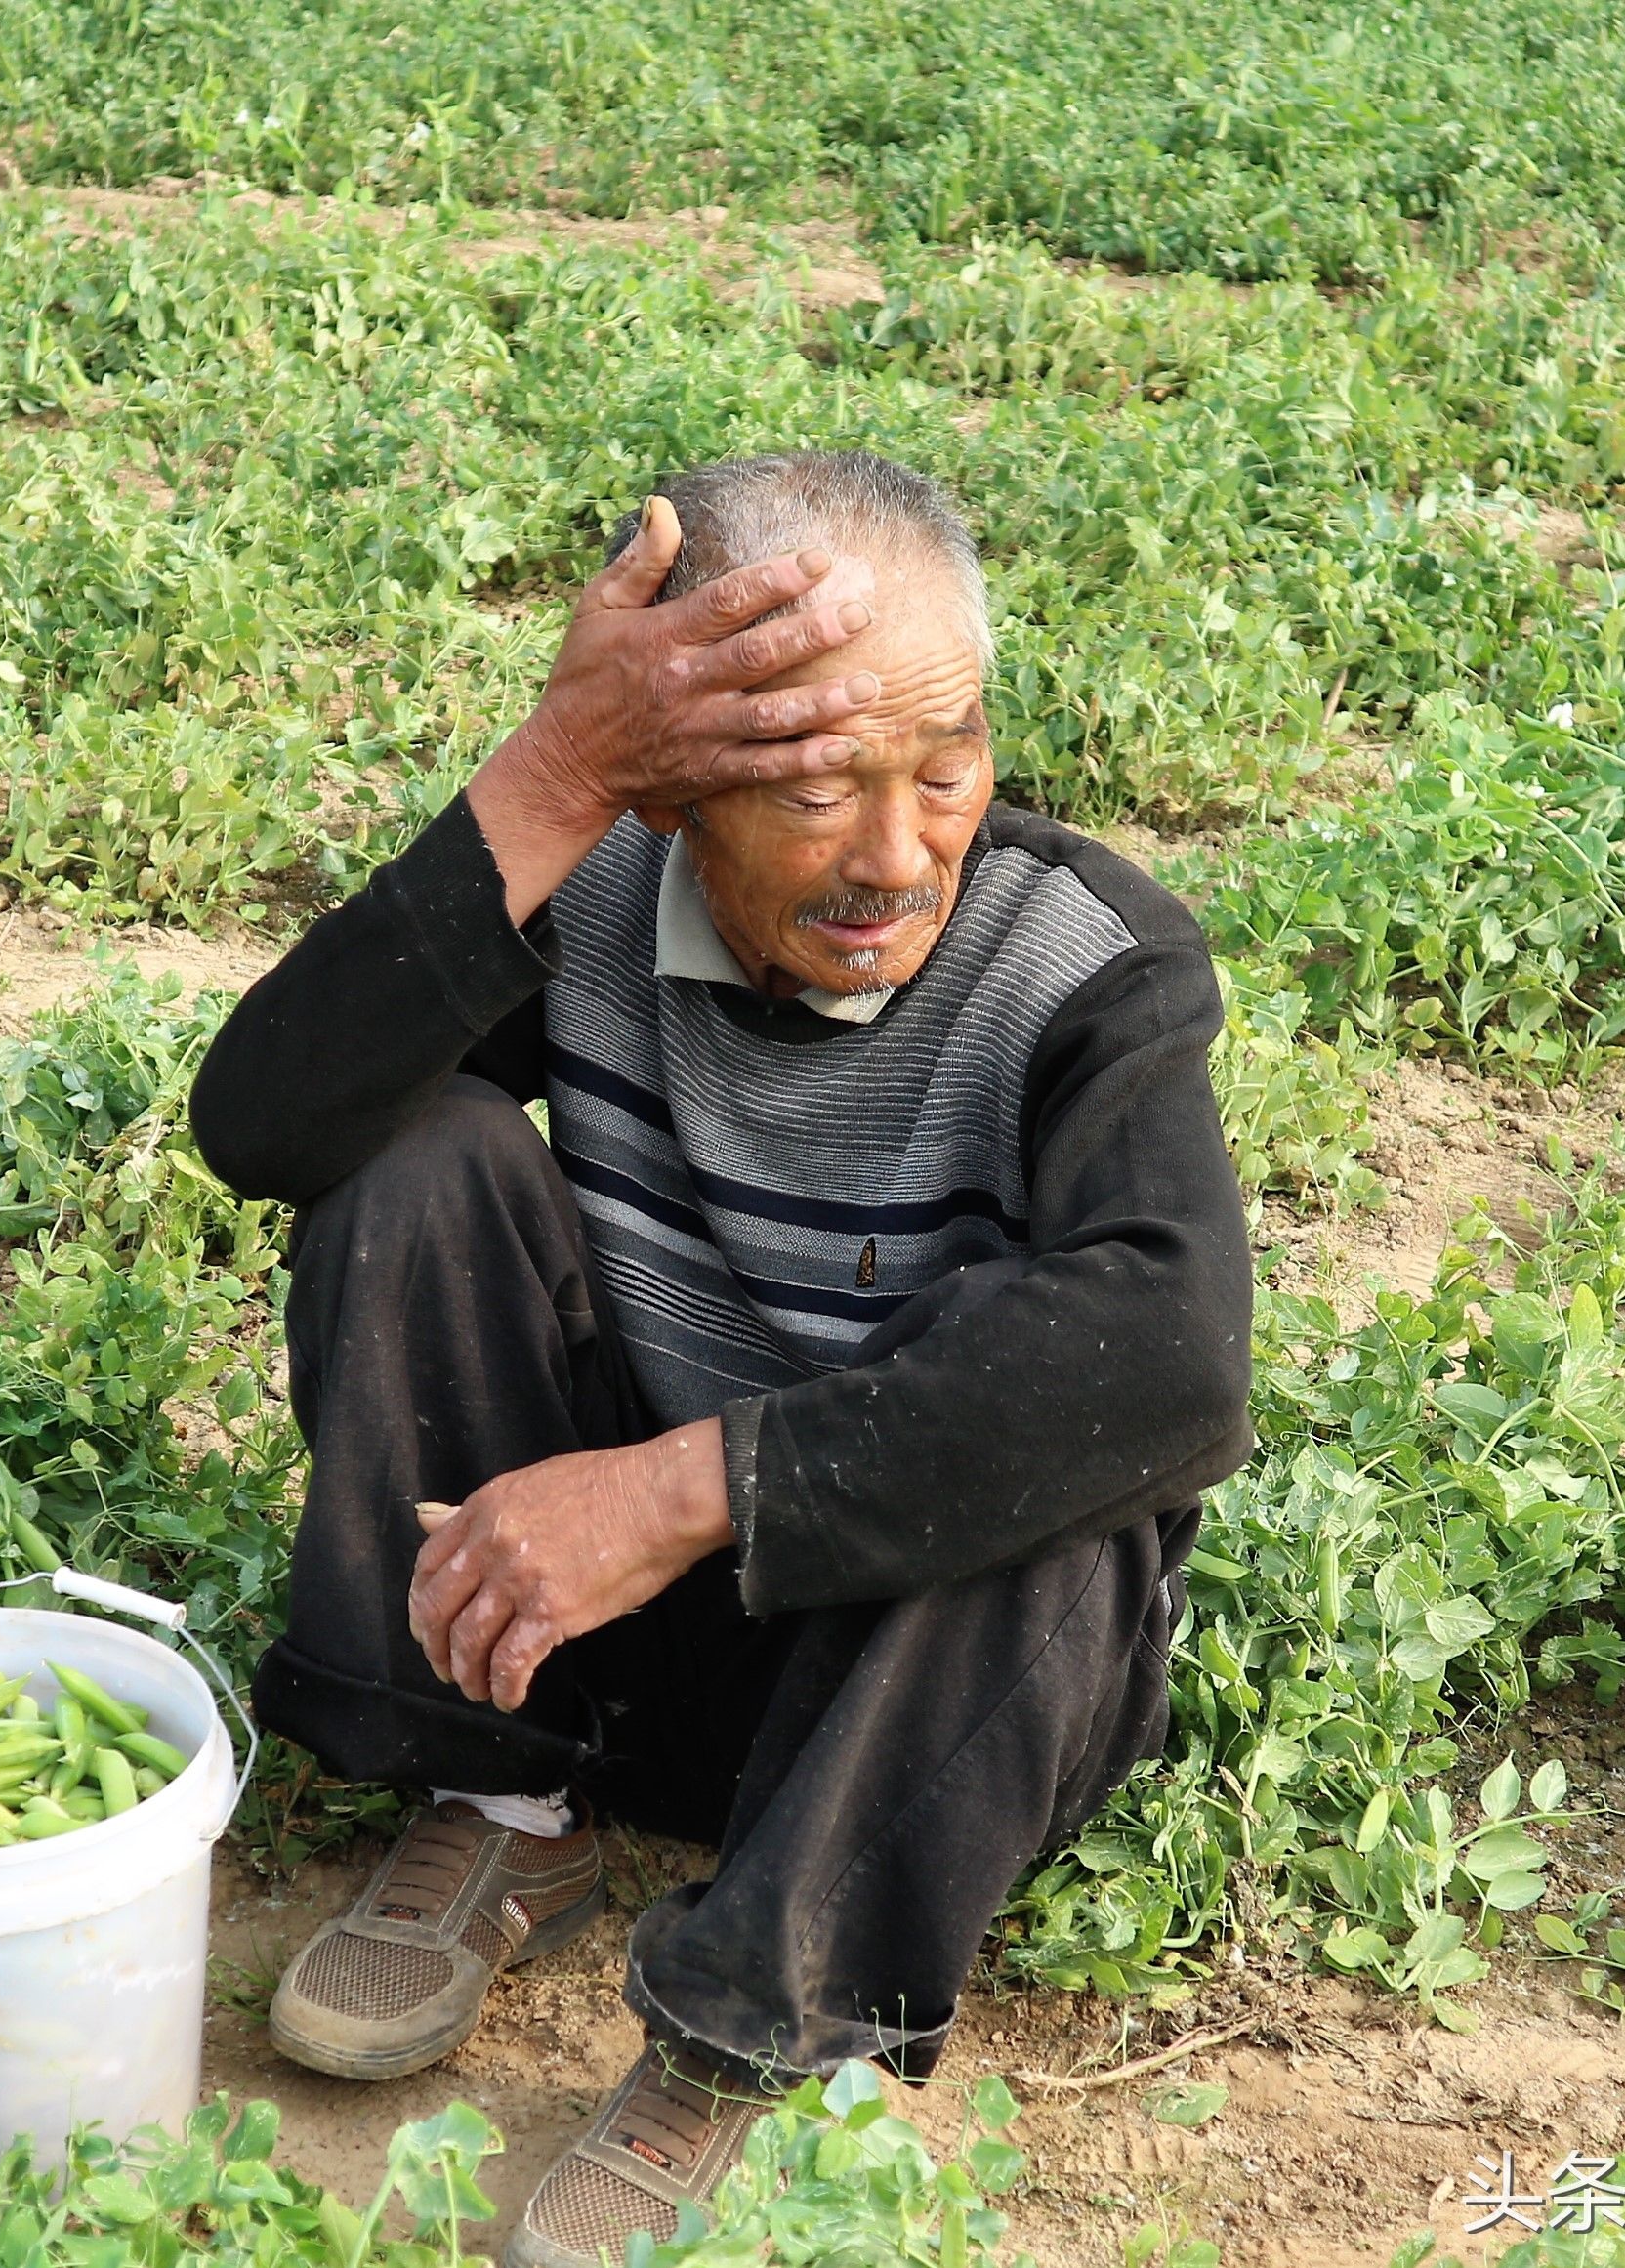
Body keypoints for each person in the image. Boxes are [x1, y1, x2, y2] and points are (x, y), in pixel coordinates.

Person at [188, 449, 1253, 2268]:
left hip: (928, 1695)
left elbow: (1176, 1359)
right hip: (597, 1647)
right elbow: (266, 1120)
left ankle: (768, 2009)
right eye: (818, 786)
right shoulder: (598, 894)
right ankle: (500, 1789)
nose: (896, 854)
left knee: (1056, 1418)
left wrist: (691, 1489)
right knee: (413, 1153)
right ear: (674, 796)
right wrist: (550, 778)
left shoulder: (1080, 959)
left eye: (944, 769)